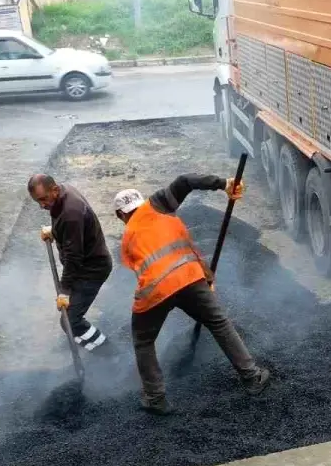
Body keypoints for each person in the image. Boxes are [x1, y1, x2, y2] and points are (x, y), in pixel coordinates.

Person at [114, 173, 271, 415]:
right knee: (219, 322)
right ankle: (252, 377)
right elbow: (185, 181)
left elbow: (147, 272)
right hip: (189, 277)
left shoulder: (127, 238)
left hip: (155, 291)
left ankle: (156, 398)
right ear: (141, 202)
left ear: (120, 215)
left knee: (144, 341)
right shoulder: (157, 205)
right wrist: (224, 184)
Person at [29, 174, 112, 352]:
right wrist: (56, 231)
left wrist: (64, 291)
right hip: (85, 265)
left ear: (55, 190)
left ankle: (107, 352)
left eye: (43, 199)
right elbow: (75, 227)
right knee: (69, 318)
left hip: (91, 270)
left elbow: (73, 257)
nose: (42, 205)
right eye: (38, 201)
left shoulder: (71, 213)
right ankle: (93, 344)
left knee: (70, 321)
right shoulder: (63, 193)